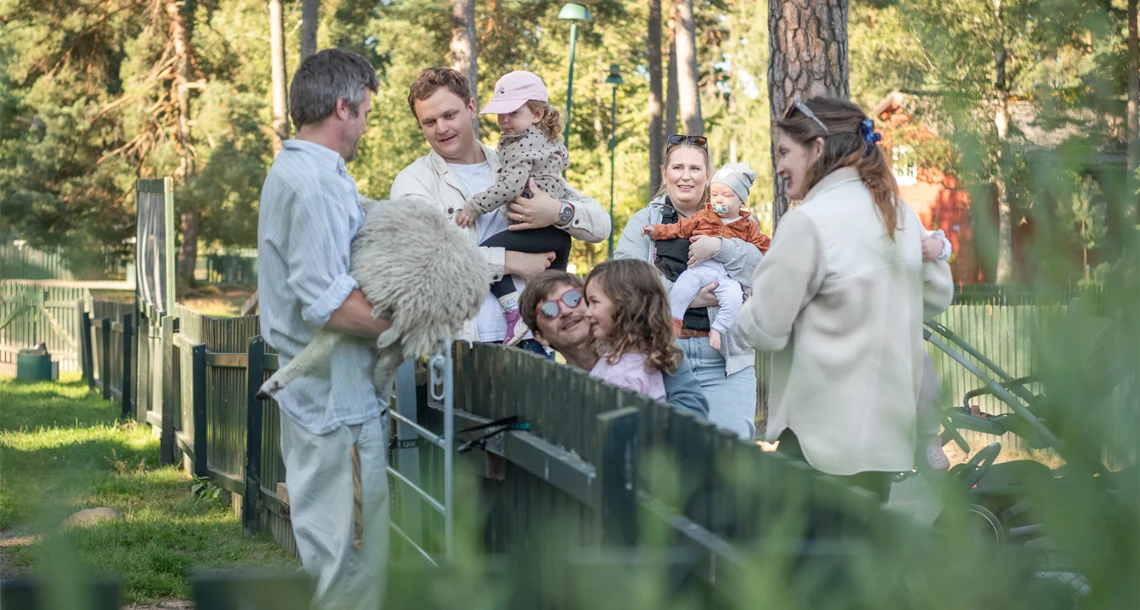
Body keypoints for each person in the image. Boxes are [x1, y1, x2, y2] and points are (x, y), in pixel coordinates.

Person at [736, 97, 954, 502]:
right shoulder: (899, 214)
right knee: (862, 541)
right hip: (883, 443)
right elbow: (937, 295)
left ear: (817, 148)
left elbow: (765, 328)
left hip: (818, 443)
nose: (778, 166)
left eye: (784, 152)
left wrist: (742, 307)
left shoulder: (808, 222)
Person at [257, 49, 390, 609]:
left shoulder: (316, 175)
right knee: (343, 565)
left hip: (337, 393)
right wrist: (413, 324)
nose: (365, 127)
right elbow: (328, 305)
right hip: (332, 401)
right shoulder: (311, 184)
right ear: (343, 107)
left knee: (353, 562)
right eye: (365, 114)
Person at [390, 67, 610, 355]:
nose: (441, 128)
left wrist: (557, 212)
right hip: (458, 343)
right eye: (429, 122)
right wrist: (509, 262)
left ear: (471, 108)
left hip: (533, 340)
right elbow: (422, 263)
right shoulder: (413, 181)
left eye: (449, 115)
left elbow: (601, 226)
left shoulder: (517, 162)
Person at [615, 135, 763, 441]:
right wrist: (689, 299)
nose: (686, 176)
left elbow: (762, 269)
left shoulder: (739, 221)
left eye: (695, 168)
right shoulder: (646, 222)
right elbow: (624, 283)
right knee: (666, 453)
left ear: (707, 175)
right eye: (678, 167)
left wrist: (719, 246)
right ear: (664, 173)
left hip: (725, 362)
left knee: (730, 450)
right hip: (662, 356)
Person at [454, 71, 572, 345]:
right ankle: (551, 326)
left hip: (541, 230)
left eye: (513, 113)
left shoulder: (523, 147)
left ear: (537, 114)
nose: (504, 120)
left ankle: (513, 311)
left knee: (487, 254)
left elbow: (509, 187)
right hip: (557, 235)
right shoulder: (545, 141)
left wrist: (474, 207)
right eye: (500, 113)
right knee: (550, 290)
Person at [518, 270, 710, 418]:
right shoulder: (556, 392)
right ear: (539, 336)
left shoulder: (651, 345)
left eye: (573, 298)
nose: (566, 311)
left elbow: (692, 410)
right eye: (549, 310)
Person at [641, 162, 771, 349]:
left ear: (741, 200)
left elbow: (762, 248)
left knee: (734, 298)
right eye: (715, 194)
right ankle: (674, 321)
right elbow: (678, 228)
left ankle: (718, 329)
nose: (719, 200)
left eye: (726, 195)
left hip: (727, 276)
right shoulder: (703, 216)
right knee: (683, 286)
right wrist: (655, 230)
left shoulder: (748, 226)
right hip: (701, 269)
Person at [582, 259, 683, 401]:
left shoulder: (623, 378)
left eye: (594, 302)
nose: (587, 312)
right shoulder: (641, 359)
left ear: (625, 305)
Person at [919, 229, 954, 471]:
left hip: (898, 320)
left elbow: (943, 243)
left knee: (923, 371)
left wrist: (937, 247)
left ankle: (930, 437)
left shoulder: (900, 218)